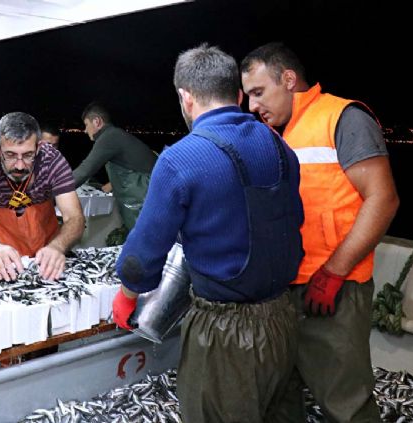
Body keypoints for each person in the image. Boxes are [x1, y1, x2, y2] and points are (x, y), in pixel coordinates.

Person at [112, 44, 305, 422]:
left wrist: (127, 295)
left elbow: (141, 257)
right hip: (283, 318)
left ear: (186, 97)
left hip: (224, 333)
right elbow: (291, 220)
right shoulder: (280, 147)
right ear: (238, 95)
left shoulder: (180, 158)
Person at [241, 42, 399, 422]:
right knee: (280, 397)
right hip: (283, 291)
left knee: (345, 401)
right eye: (248, 96)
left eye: (258, 92)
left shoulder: (342, 118)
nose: (252, 106)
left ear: (288, 79)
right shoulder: (274, 134)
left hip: (334, 291)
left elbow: (383, 199)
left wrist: (333, 272)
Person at [0, 112, 85, 281]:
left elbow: (75, 217)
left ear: (38, 148)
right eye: (10, 155)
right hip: (0, 242)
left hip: (46, 239)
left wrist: (58, 246)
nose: (19, 166)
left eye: (28, 155)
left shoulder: (53, 161)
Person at [72, 102, 156, 230]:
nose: (85, 130)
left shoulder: (109, 137)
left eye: (86, 125)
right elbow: (135, 164)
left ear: (97, 121)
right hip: (152, 191)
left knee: (143, 236)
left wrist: (55, 191)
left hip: (145, 196)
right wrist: (112, 184)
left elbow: (84, 171)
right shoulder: (116, 134)